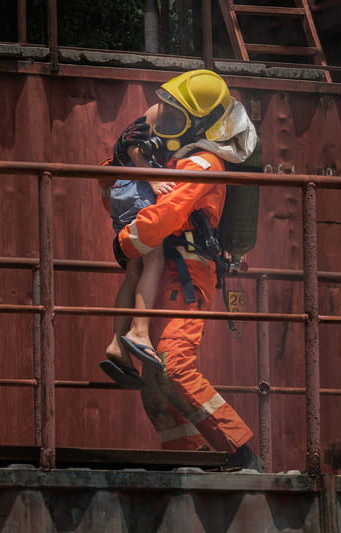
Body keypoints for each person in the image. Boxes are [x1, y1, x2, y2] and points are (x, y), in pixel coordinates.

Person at [111, 69, 263, 470]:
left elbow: (166, 214)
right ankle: (188, 459)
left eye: (178, 119)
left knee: (174, 366)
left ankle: (243, 456)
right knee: (154, 384)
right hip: (162, 270)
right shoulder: (176, 159)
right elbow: (123, 192)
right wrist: (125, 151)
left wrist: (126, 242)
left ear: (202, 123)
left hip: (188, 273)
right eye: (169, 116)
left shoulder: (205, 162)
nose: (169, 125)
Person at [99, 105, 177, 391]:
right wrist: (153, 178)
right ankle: (139, 332)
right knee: (154, 261)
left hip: (122, 189)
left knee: (133, 271)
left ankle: (118, 343)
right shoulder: (164, 110)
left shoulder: (164, 108)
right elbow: (135, 145)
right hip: (139, 189)